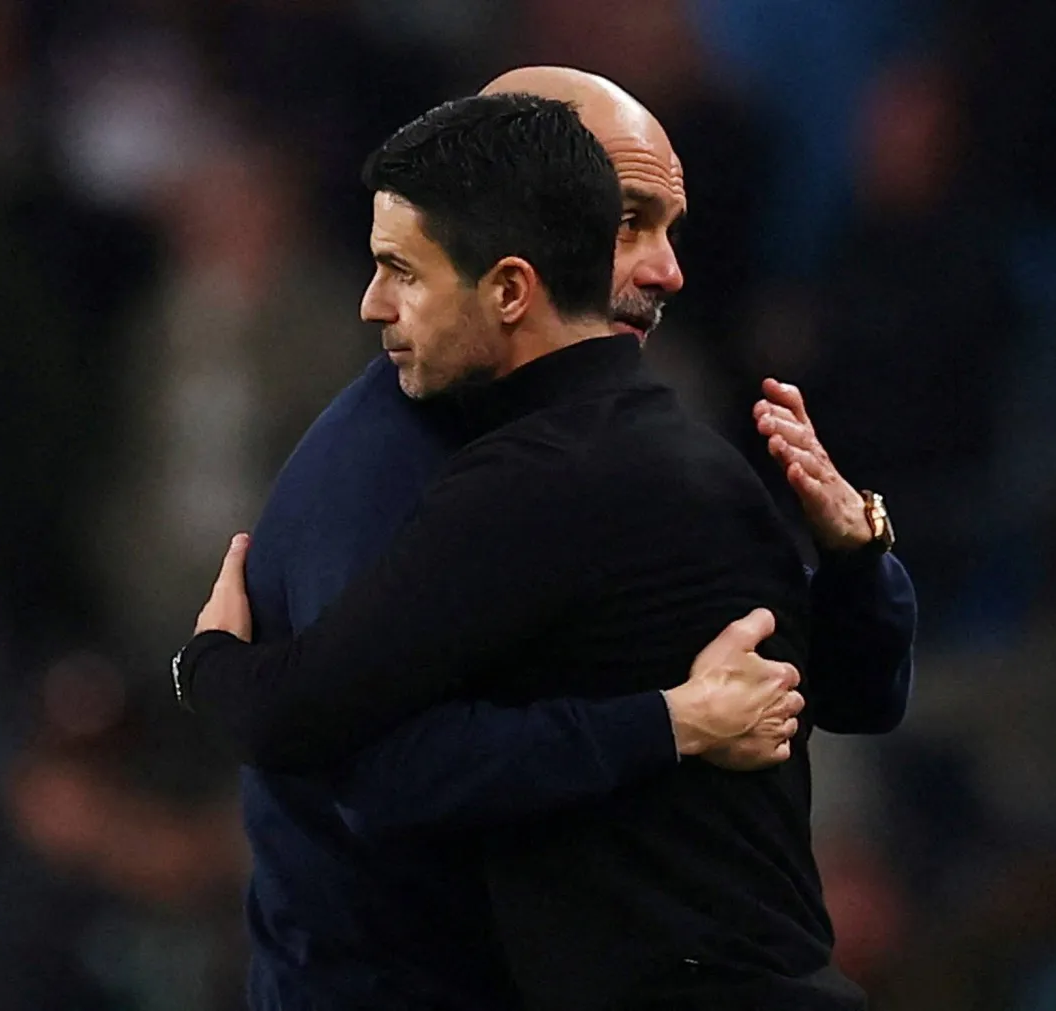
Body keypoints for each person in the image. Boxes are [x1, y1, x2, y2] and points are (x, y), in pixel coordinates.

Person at [175, 91, 896, 1009]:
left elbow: (348, 750)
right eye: (626, 219)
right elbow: (865, 692)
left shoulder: (543, 471)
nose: (665, 268)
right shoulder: (659, 448)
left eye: (401, 270)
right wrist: (682, 711)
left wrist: (204, 661)